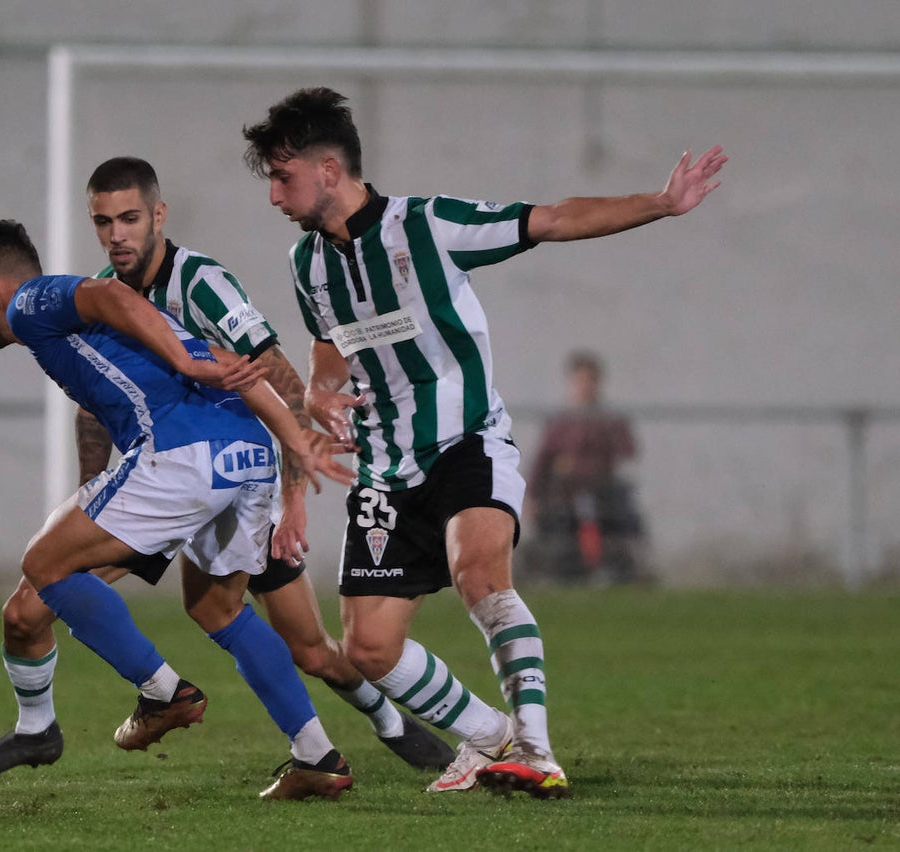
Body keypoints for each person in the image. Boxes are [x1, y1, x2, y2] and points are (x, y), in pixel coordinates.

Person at [242, 86, 726, 797]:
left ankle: (535, 747)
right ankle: (488, 735)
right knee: (369, 650)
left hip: (466, 442)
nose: (274, 194)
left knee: (480, 577)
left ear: (329, 170)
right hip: (383, 469)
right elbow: (327, 345)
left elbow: (554, 219)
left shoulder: (429, 226)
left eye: (282, 177)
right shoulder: (305, 263)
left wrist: (659, 203)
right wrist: (319, 388)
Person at [0, 158, 453, 779]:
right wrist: (93, 494)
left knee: (309, 647)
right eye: (104, 222)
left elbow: (273, 377)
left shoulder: (199, 281)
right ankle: (44, 726)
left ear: (158, 215)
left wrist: (293, 501)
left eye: (129, 219)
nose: (117, 235)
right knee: (34, 603)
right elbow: (93, 411)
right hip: (170, 474)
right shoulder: (104, 292)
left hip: (235, 473)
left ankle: (387, 722)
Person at [0, 218, 355, 800]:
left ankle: (162, 692)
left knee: (44, 564)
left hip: (180, 452)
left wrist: (186, 371)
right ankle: (317, 757)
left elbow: (109, 295)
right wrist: (291, 436)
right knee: (218, 608)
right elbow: (219, 356)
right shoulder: (111, 324)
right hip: (245, 451)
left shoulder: (30, 303)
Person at [524, 349, 644, 584]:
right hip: (564, 493)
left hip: (602, 491)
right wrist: (532, 495)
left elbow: (628, 450)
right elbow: (542, 460)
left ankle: (600, 565)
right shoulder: (560, 421)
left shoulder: (608, 419)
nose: (585, 386)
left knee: (597, 511)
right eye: (580, 380)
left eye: (590, 380)